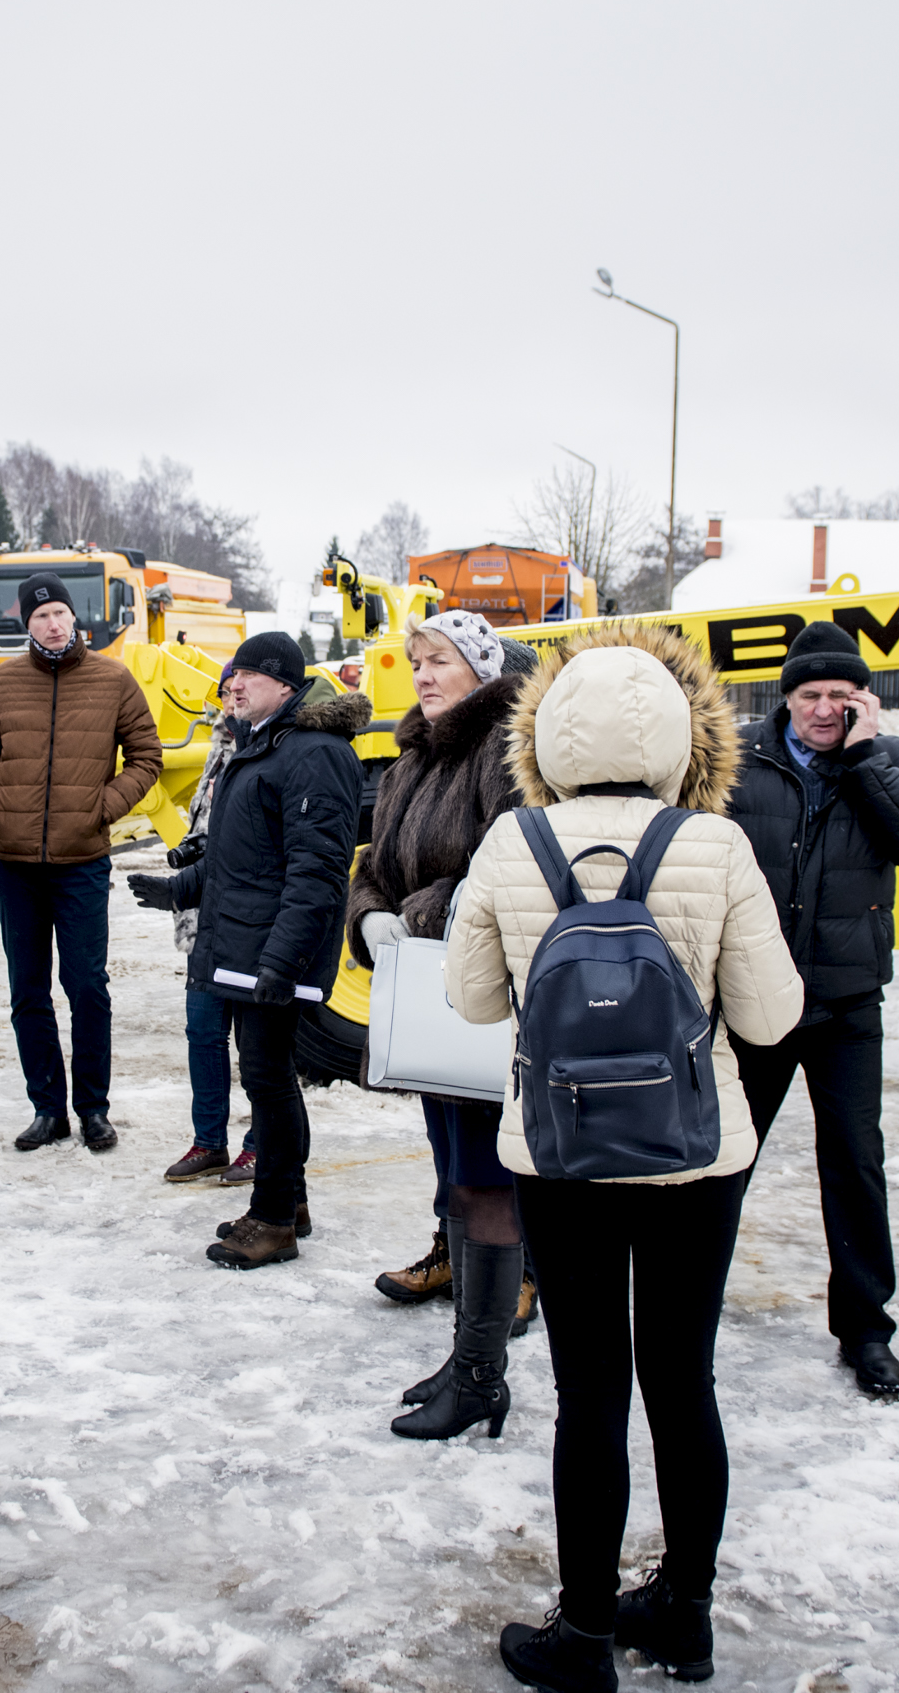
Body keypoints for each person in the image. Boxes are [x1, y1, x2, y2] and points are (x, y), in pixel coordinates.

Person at [445, 621, 804, 1692]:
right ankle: (684, 1614)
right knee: (681, 1381)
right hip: (697, 1151)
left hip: (560, 1156)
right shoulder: (715, 842)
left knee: (590, 1387)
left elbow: (470, 1000)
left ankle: (586, 1631)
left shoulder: (515, 841)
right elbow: (772, 1012)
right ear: (681, 735)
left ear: (545, 732)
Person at [723, 620, 899, 1401]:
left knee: (855, 1163)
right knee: (722, 1157)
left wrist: (863, 761)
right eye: (812, 695)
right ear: (785, 699)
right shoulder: (735, 763)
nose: (826, 709)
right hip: (756, 996)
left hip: (848, 1000)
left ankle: (866, 1330)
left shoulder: (893, 763)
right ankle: (688, 1305)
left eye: (843, 696)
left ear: (866, 701)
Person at [343, 610, 534, 1439]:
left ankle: (485, 1374)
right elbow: (374, 864)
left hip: (482, 996)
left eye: (440, 660)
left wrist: (420, 910)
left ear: (481, 667)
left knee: (488, 1175)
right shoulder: (410, 755)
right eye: (416, 660)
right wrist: (371, 915)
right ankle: (466, 1357)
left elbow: (506, 862)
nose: (422, 673)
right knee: (455, 1168)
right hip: (426, 990)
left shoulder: (502, 747)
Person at [128, 632, 366, 1268]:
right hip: (243, 944)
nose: (233, 684)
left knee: (268, 1082)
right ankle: (292, 1200)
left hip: (270, 953)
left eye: (249, 676)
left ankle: (273, 1218)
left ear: (285, 686)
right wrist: (174, 888)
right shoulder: (260, 746)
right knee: (269, 1079)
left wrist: (281, 963)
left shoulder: (313, 754)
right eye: (232, 675)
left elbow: (316, 873)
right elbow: (236, 861)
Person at [0, 571, 164, 1153]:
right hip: (15, 863)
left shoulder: (112, 679)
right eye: (39, 615)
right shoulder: (5, 681)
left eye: (59, 614)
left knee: (87, 987)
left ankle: (93, 1110)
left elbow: (145, 756)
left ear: (74, 619)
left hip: (81, 859)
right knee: (28, 989)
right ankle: (47, 1110)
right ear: (27, 623)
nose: (51, 623)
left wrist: (104, 806)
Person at [160, 663, 247, 1184]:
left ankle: (260, 1145)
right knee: (203, 1030)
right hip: (205, 916)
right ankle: (209, 1141)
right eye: (226, 688)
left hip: (248, 918)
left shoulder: (277, 747)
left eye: (242, 686)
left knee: (257, 1046)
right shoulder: (221, 740)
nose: (232, 696)